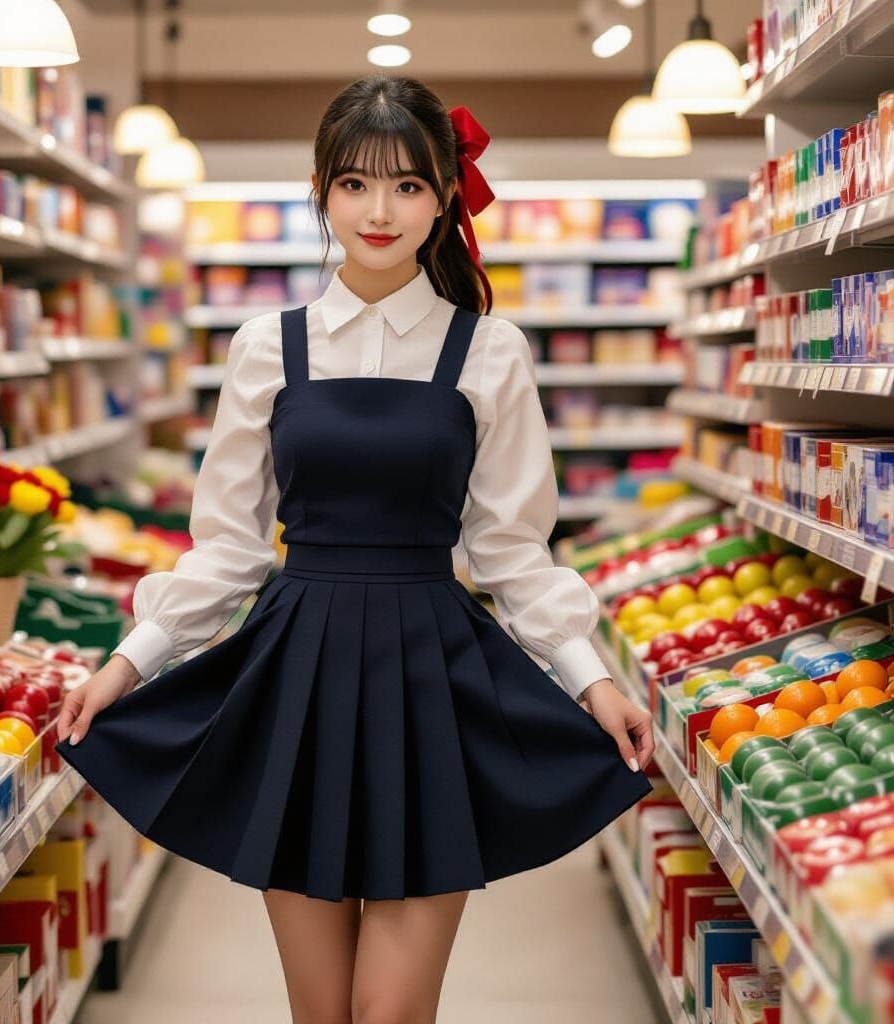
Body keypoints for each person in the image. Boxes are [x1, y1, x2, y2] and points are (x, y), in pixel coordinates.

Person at [55, 74, 655, 1024]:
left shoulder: (490, 352)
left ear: (447, 195)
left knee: (390, 1015)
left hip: (434, 679)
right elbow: (227, 547)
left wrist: (591, 681)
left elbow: (510, 550)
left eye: (409, 186)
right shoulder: (267, 347)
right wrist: (127, 666)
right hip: (298, 678)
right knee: (321, 1015)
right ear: (323, 189)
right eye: (356, 184)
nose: (381, 211)